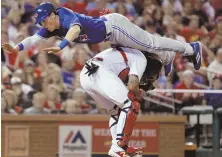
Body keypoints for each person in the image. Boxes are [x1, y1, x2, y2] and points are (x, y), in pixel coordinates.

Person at [2, 2, 202, 76]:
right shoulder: (50, 27)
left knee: (151, 43)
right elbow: (32, 39)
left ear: (52, 15)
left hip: (114, 27)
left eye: (44, 20)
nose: (43, 25)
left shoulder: (63, 14)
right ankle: (167, 56)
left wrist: (62, 46)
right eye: (42, 22)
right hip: (109, 34)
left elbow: (74, 29)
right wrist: (16, 48)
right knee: (143, 50)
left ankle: (191, 48)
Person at [80, 46, 164, 157]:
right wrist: (138, 92)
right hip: (100, 70)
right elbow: (132, 86)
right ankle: (118, 147)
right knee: (130, 103)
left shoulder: (129, 55)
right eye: (147, 78)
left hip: (86, 77)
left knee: (117, 111)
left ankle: (119, 149)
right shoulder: (141, 59)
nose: (145, 80)